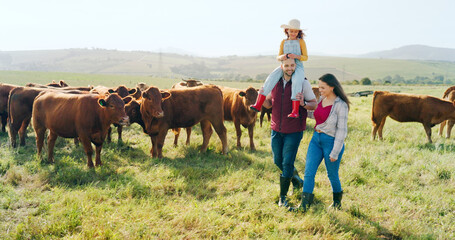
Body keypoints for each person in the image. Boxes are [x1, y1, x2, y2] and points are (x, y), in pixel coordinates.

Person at [262, 58, 317, 208]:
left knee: (287, 163)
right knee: (277, 161)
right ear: (282, 66)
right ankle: (297, 180)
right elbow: (268, 103)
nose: (290, 68)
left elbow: (314, 104)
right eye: (287, 65)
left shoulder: (303, 83)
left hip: (294, 130)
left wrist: (303, 104)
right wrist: (259, 96)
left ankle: (283, 197)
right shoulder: (275, 81)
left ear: (296, 66)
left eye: (292, 65)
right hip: (276, 129)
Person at [293, 73, 350, 212]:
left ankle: (337, 203)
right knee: (308, 172)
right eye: (319, 87)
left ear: (332, 87)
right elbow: (316, 115)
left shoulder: (341, 105)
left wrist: (335, 152)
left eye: (323, 87)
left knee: (332, 174)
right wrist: (303, 105)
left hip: (331, 142)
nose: (319, 90)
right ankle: (304, 205)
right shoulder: (322, 99)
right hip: (315, 140)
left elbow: (342, 131)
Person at [251, 19, 308, 119]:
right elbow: (278, 57)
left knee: (297, 81)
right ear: (287, 31)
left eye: (295, 31)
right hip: (284, 65)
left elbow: (305, 57)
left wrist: (296, 56)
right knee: (271, 78)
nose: (293, 33)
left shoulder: (301, 42)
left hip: (297, 66)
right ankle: (258, 104)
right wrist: (283, 57)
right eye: (291, 31)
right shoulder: (283, 42)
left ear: (298, 32)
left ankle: (295, 111)